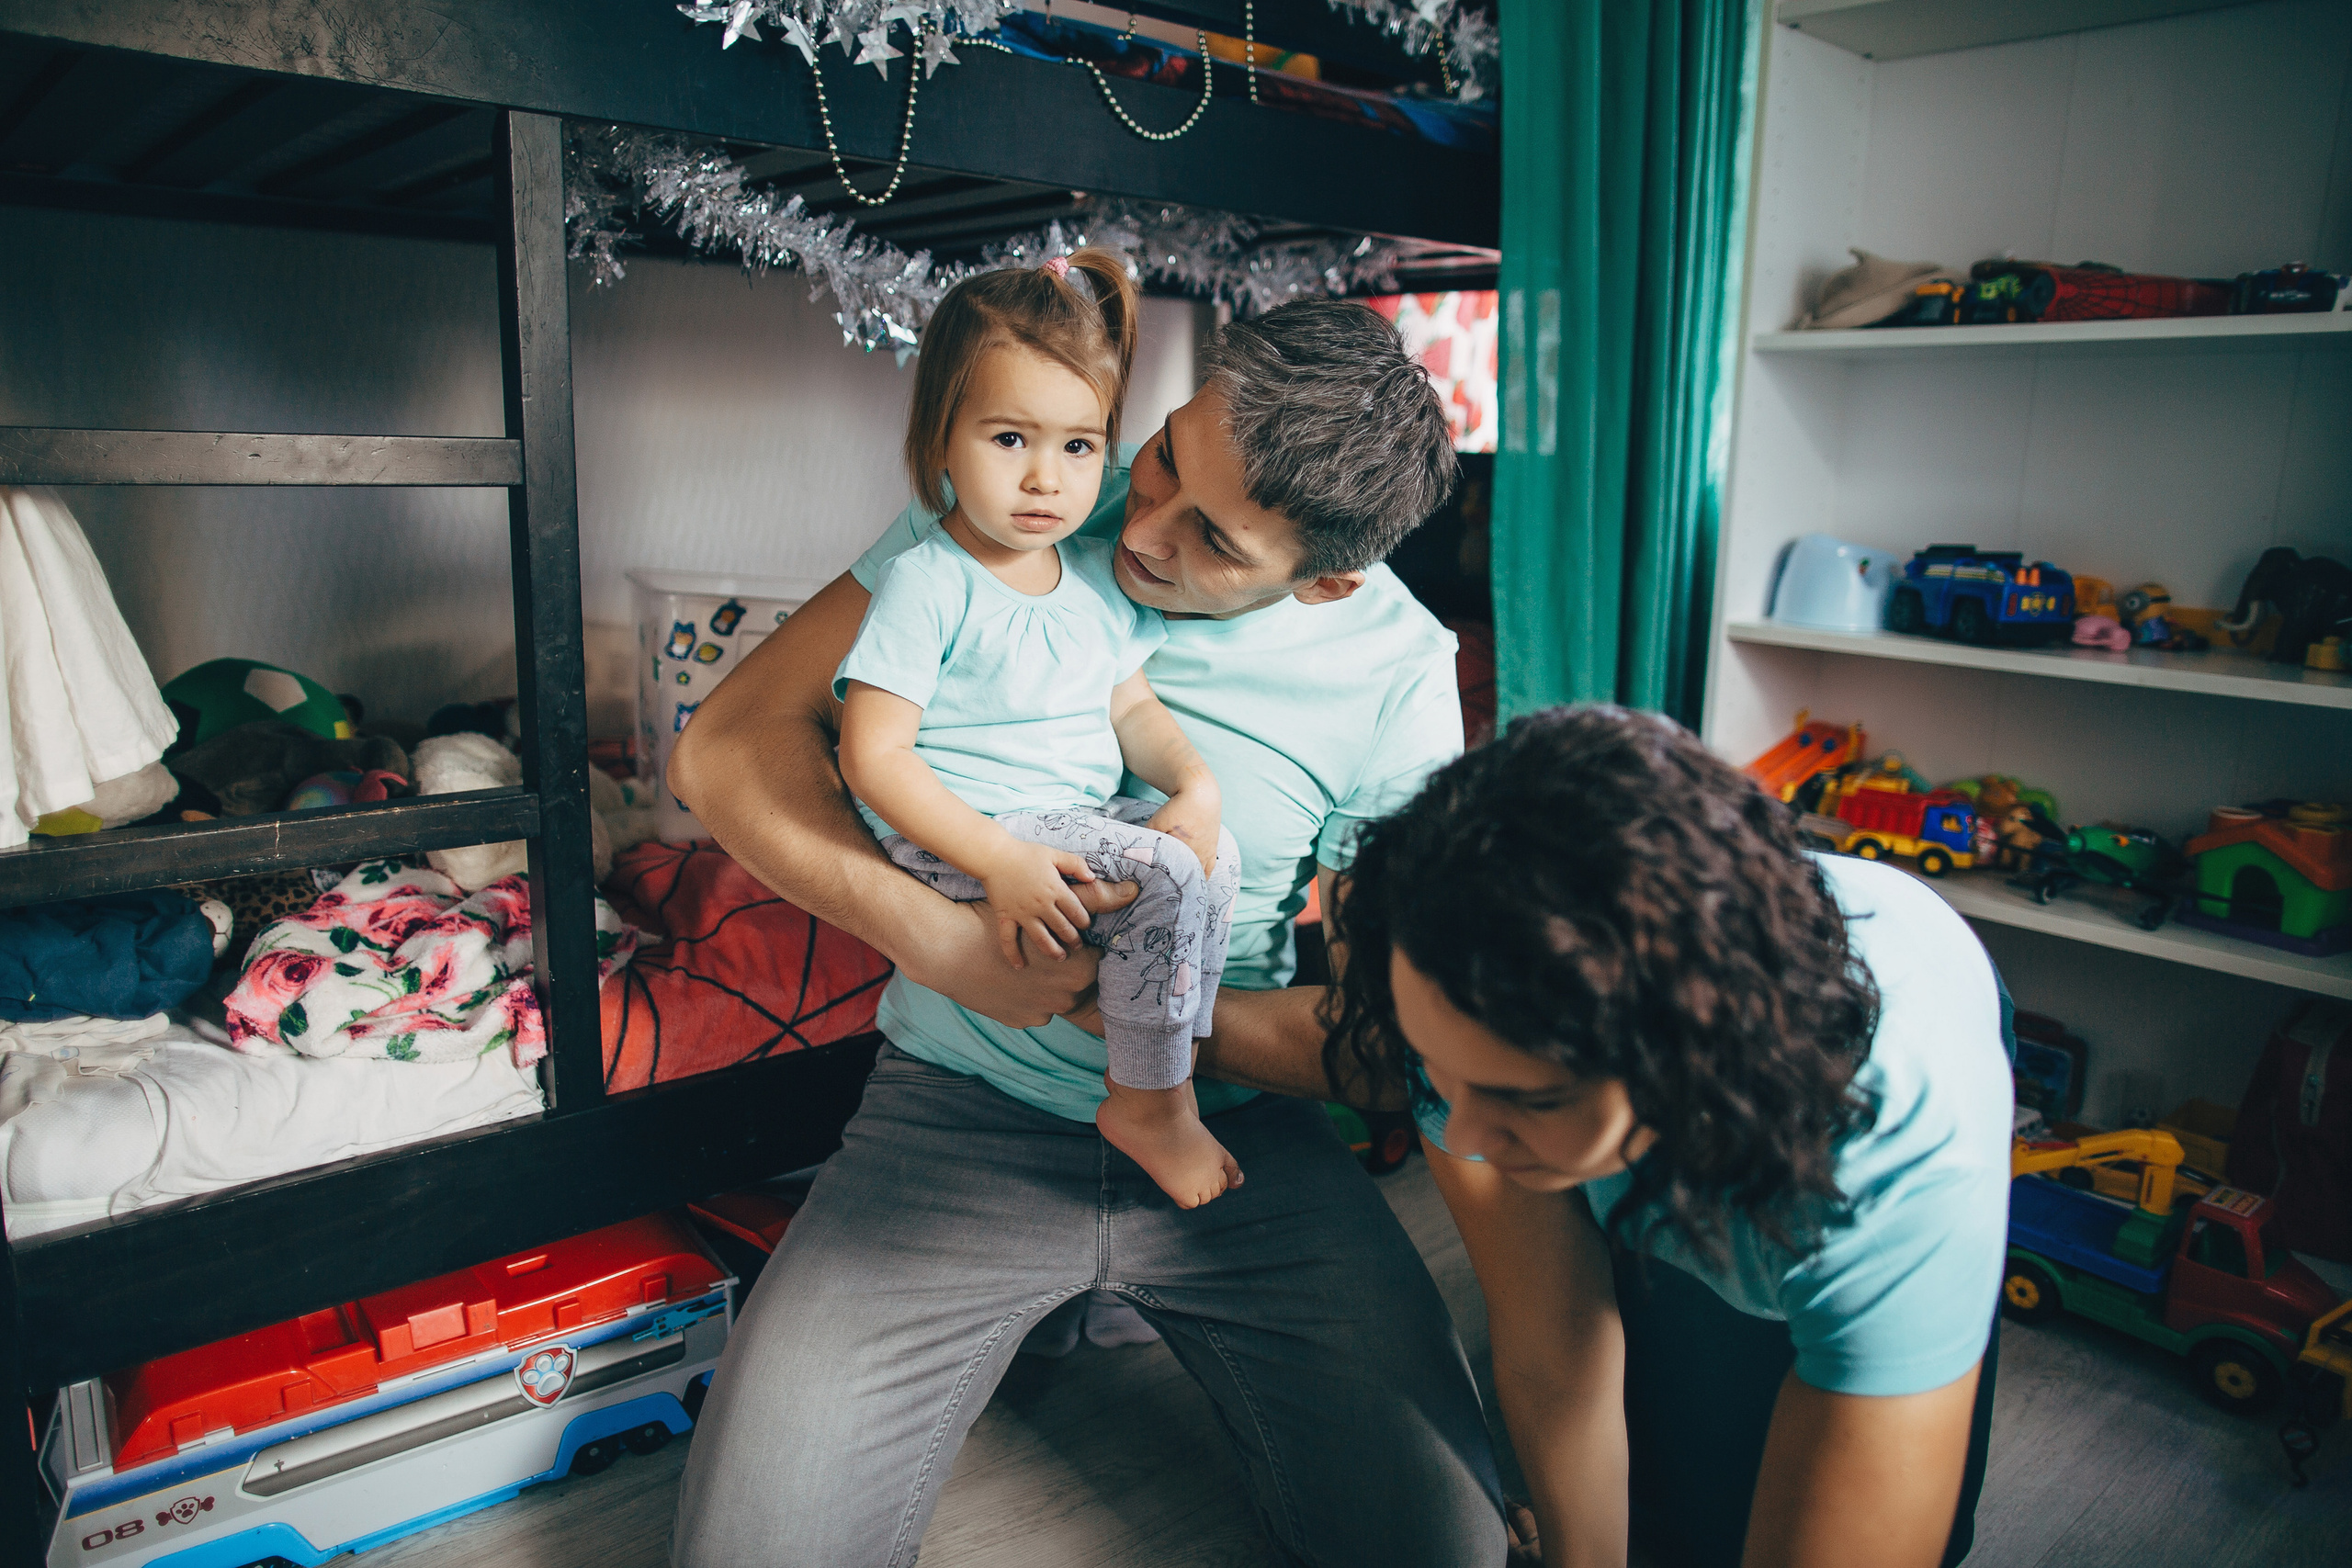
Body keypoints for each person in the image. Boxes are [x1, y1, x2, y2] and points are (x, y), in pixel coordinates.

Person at [667, 298, 1508, 1567]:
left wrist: (1143, 1019)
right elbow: (726, 743)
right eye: (1164, 454)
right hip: (956, 1109)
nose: (1140, 525)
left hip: (1235, 1145)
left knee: (1442, 1544)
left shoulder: (1396, 668)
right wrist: (940, 944)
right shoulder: (1037, 493)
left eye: (1212, 539)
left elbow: (1395, 1044)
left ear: (1324, 578)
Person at [1327, 706, 2009, 1568]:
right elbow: (1550, 1332)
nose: (1460, 1130)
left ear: (1690, 1061)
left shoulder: (1895, 1158)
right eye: (1439, 1069)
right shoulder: (1465, 994)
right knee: (1666, 1509)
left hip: (1867, 1057)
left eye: (1525, 1100)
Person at [835, 249, 1243, 1208]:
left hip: (1066, 813)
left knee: (1211, 854)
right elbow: (873, 755)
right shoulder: (927, 581)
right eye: (1009, 438)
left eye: (1077, 446)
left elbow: (1132, 709)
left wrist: (1194, 787)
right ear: (942, 439)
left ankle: (1149, 1039)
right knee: (1171, 873)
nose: (1044, 479)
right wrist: (998, 860)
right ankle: (1148, 1101)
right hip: (968, 828)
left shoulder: (1098, 578)